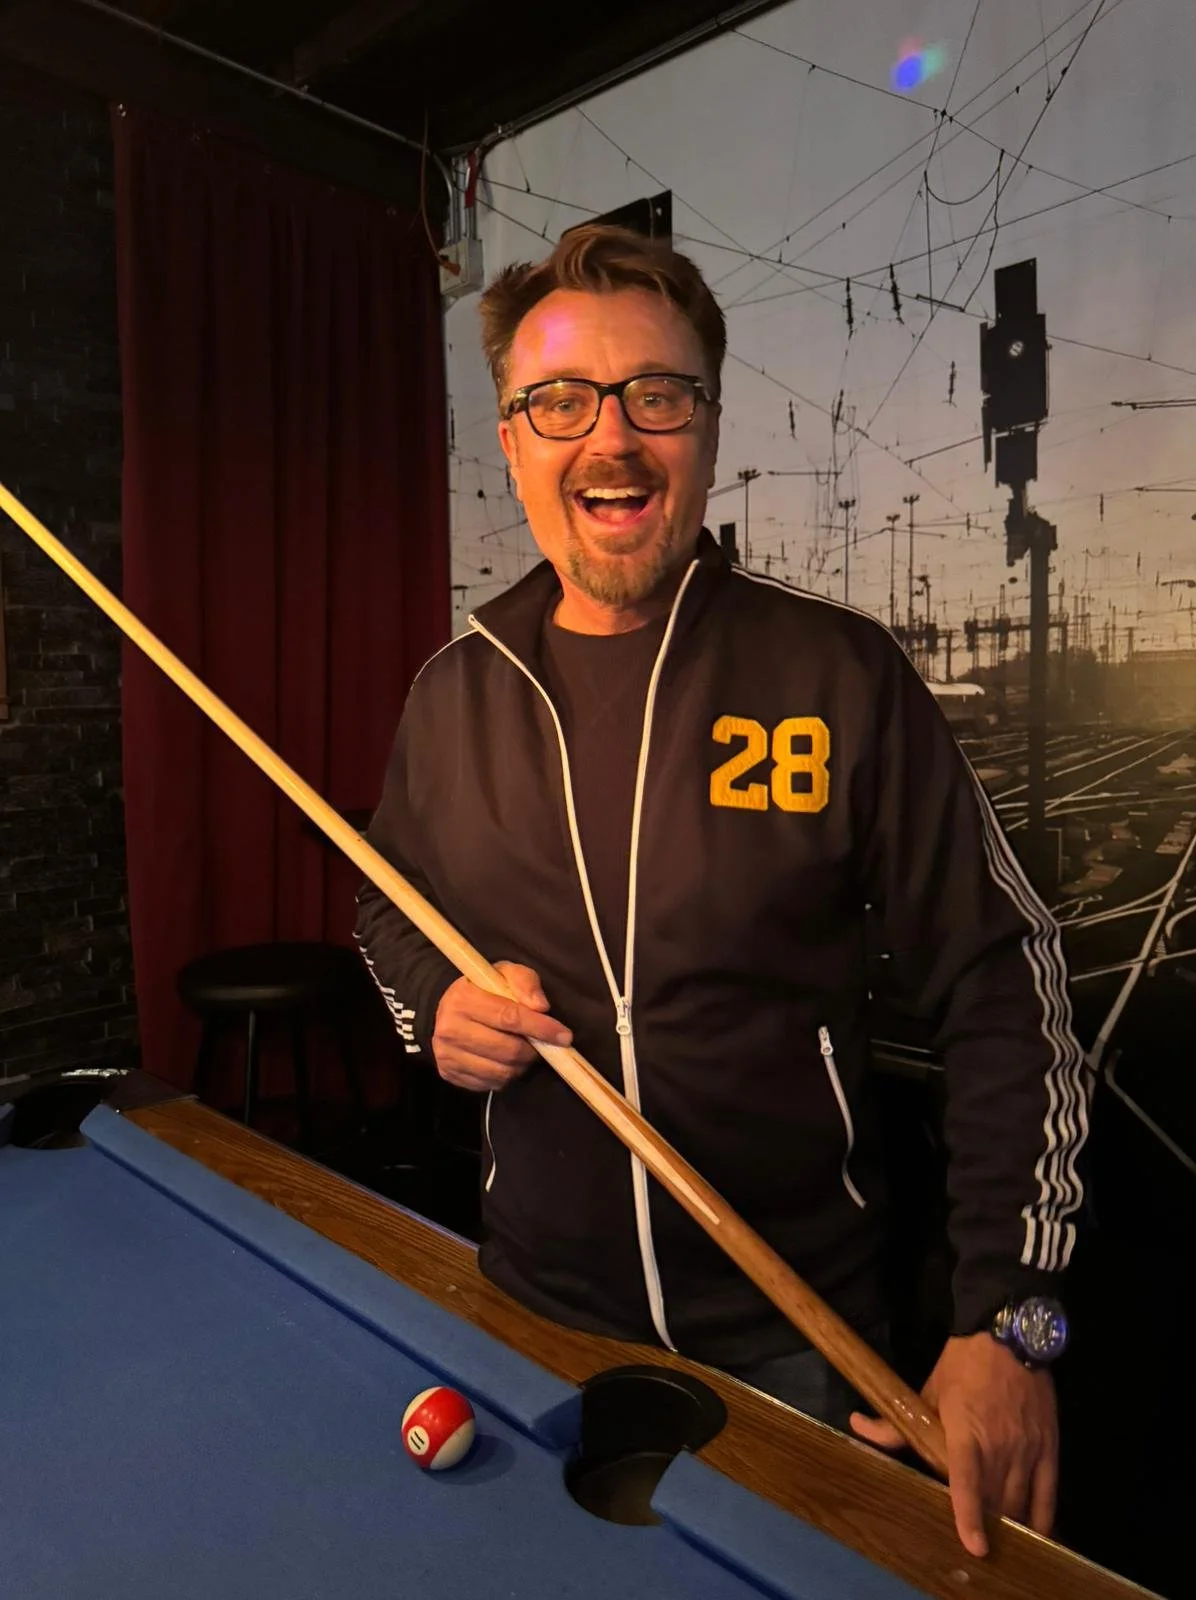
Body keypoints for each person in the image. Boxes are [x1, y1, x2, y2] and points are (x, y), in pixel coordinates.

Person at [355, 224, 1090, 1559]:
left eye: (658, 395)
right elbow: (385, 906)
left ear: (705, 428)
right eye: (561, 401)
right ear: (513, 443)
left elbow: (1006, 979)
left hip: (804, 1361)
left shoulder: (838, 676)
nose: (613, 437)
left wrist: (1008, 1321)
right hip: (526, 1323)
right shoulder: (453, 697)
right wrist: (436, 1009)